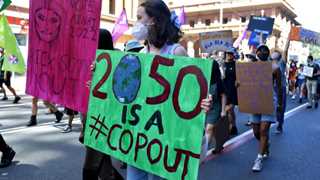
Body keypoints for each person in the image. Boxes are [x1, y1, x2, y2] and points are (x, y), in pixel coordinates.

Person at [127, 1, 212, 179]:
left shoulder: (176, 52)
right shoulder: (139, 56)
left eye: (140, 18)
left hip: (164, 139)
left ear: (154, 21)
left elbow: (191, 93)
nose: (136, 23)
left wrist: (202, 102)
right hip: (138, 137)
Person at [82, 29, 124, 180]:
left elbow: (118, 90)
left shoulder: (117, 61)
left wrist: (97, 85)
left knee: (92, 163)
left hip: (103, 117)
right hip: (91, 115)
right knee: (103, 163)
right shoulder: (93, 60)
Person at [250, 45, 283, 172]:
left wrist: (279, 104)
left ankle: (259, 159)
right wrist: (239, 85)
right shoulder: (251, 68)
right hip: (254, 102)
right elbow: (245, 83)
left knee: (263, 130)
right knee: (256, 132)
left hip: (269, 101)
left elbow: (279, 87)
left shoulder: (275, 68)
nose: (262, 53)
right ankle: (266, 145)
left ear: (268, 54)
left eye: (265, 51)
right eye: (260, 51)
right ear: (257, 52)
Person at [205, 56, 227, 154]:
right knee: (210, 130)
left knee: (209, 129)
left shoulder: (218, 82)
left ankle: (203, 151)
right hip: (204, 108)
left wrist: (223, 110)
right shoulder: (202, 79)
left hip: (215, 109)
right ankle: (219, 145)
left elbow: (223, 95)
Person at [222, 49, 238, 136]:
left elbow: (241, 76)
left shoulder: (236, 64)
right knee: (228, 111)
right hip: (224, 90)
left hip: (233, 90)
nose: (229, 55)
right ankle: (233, 126)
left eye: (231, 54)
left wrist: (238, 81)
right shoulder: (222, 64)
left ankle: (231, 126)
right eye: (227, 53)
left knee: (230, 110)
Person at [270, 50, 287, 134]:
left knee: (281, 107)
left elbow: (285, 50)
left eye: (275, 52)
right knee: (271, 107)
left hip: (281, 88)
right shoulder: (268, 63)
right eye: (272, 52)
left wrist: (288, 39)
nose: (273, 53)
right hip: (271, 88)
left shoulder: (282, 63)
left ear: (278, 56)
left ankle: (280, 125)